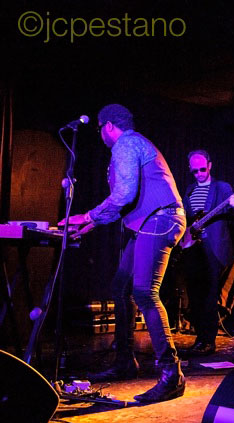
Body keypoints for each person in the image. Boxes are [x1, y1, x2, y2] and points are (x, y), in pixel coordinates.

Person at [63, 103, 187, 403]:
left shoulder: (126, 143)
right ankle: (124, 361)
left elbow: (124, 194)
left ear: (108, 126)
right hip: (152, 221)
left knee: (145, 293)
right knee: (121, 287)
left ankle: (172, 374)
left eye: (100, 129)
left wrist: (89, 216)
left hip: (160, 219)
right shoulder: (133, 144)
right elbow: (126, 201)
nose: (100, 135)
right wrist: (90, 224)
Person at [180, 150, 234, 355]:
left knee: (209, 295)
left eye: (202, 169)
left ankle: (208, 341)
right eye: (195, 171)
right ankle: (200, 338)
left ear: (210, 165)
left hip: (214, 247)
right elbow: (185, 217)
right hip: (192, 247)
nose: (199, 174)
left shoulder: (222, 188)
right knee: (194, 294)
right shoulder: (189, 190)